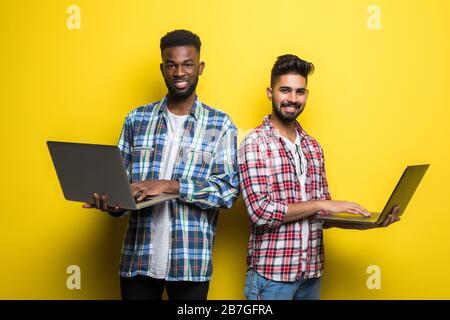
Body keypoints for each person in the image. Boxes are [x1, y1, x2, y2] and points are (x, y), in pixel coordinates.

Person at [83, 29, 239, 300]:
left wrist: (171, 186)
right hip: (138, 260)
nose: (180, 72)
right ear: (162, 68)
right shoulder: (136, 119)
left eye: (188, 64)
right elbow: (118, 183)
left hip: (191, 263)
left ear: (200, 68)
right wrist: (113, 204)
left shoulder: (221, 124)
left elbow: (226, 192)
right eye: (172, 65)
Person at [238, 54, 400, 300]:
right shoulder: (254, 143)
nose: (293, 99)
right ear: (270, 93)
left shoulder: (313, 147)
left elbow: (322, 216)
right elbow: (261, 212)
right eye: (285, 90)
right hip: (272, 279)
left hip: (311, 277)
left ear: (306, 95)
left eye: (300, 92)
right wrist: (322, 204)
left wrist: (372, 222)